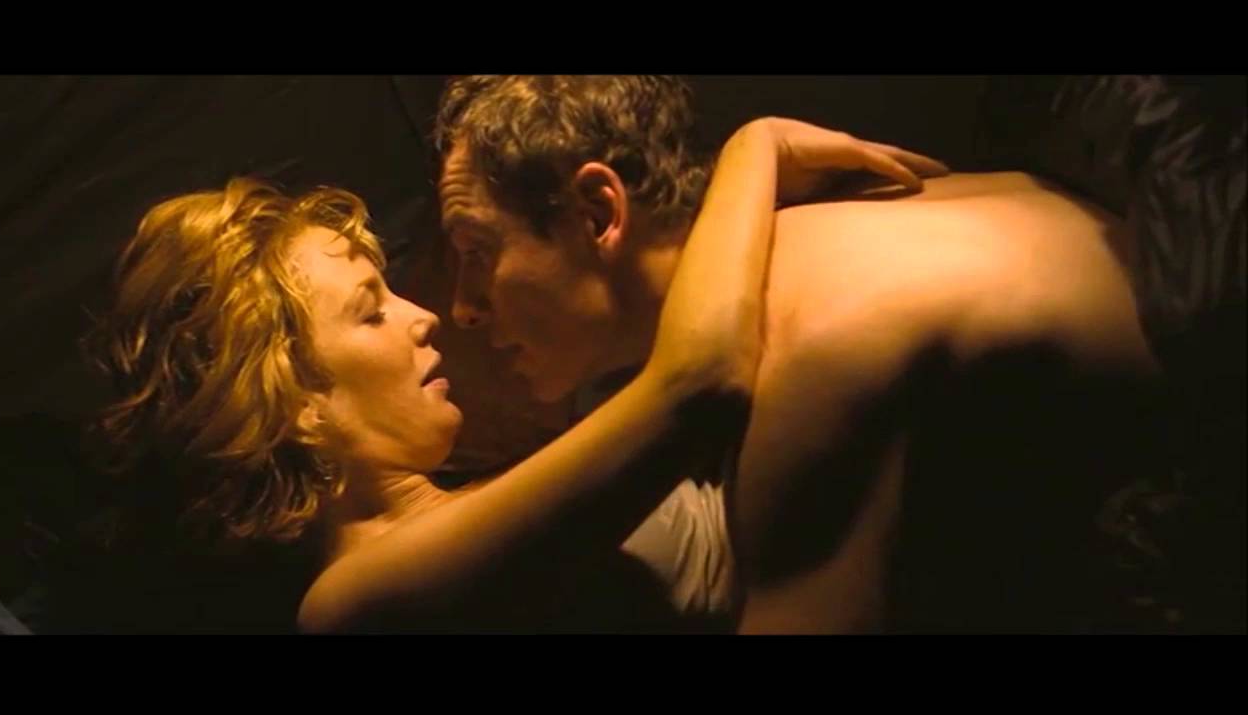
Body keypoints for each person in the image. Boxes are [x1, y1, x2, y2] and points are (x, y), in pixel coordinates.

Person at [87, 113, 944, 632]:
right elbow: (700, 385)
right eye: (370, 311)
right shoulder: (354, 603)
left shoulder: (470, 493)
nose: (424, 316)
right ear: (295, 405)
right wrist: (754, 151)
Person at [435, 75, 1161, 633]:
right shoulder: (807, 228)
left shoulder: (807, 350)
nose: (462, 307)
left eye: (477, 251)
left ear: (598, 214)